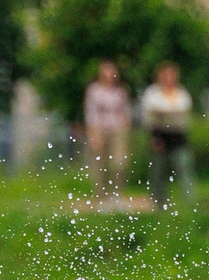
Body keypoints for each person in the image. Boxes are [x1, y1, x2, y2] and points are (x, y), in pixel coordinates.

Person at [140, 61, 195, 209]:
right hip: (160, 136)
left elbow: (183, 113)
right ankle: (158, 202)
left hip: (178, 136)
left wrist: (165, 113)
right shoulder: (153, 93)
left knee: (183, 167)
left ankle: (189, 201)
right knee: (158, 171)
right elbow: (151, 116)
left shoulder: (181, 93)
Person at [82, 60, 134, 203]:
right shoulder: (94, 90)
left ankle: (117, 194)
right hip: (99, 129)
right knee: (100, 165)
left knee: (119, 163)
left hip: (117, 130)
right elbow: (90, 112)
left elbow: (125, 111)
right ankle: (101, 196)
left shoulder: (120, 91)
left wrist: (125, 128)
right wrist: (93, 134)